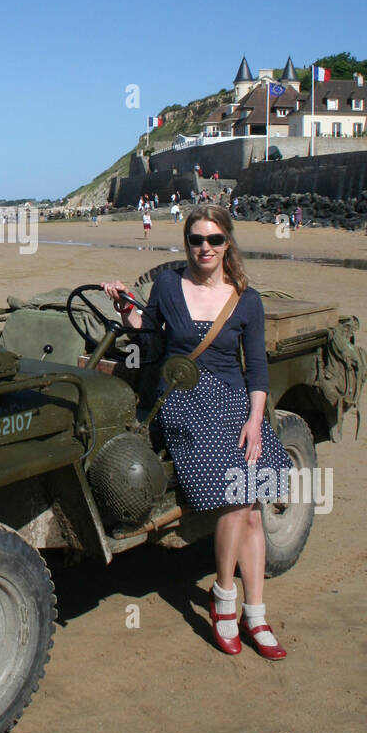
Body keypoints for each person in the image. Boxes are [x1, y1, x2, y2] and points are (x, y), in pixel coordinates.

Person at [103, 206, 292, 660]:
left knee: (253, 505)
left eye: (214, 239)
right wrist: (128, 309)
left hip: (234, 403)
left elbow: (258, 368)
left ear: (228, 244)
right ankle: (226, 601)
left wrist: (255, 420)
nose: (205, 247)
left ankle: (253, 611)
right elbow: (150, 338)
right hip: (183, 400)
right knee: (240, 497)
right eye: (196, 239)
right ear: (186, 242)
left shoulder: (246, 299)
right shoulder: (169, 286)